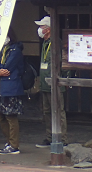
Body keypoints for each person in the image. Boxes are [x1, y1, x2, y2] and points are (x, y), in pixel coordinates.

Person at [34, 16, 67, 148]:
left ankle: (62, 138)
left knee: (59, 111)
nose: (40, 29)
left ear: (48, 29)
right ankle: (50, 137)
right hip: (45, 83)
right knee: (47, 112)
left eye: (42, 27)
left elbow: (60, 63)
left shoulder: (56, 43)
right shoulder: (45, 43)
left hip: (55, 83)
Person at [0, 29, 24, 155]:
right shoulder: (2, 50)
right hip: (2, 86)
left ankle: (14, 145)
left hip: (11, 86)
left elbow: (7, 67)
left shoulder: (15, 50)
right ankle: (9, 142)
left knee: (11, 116)